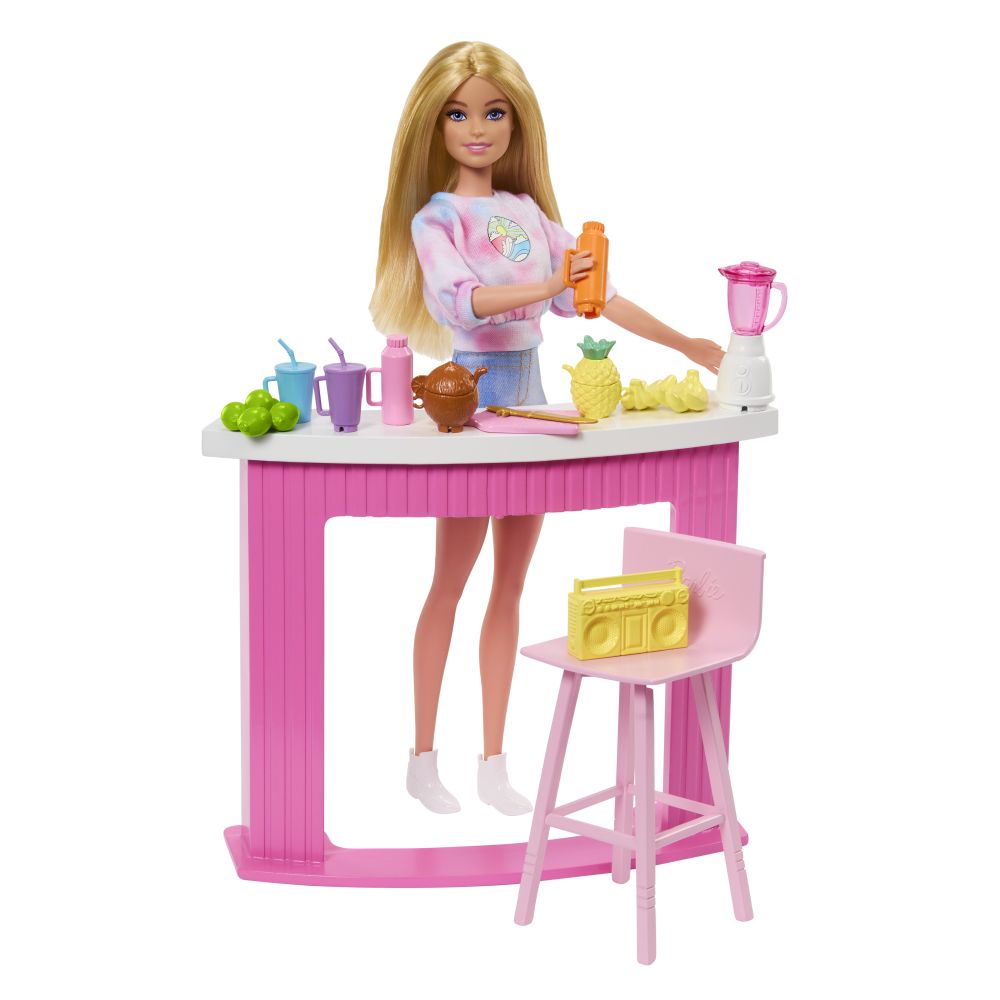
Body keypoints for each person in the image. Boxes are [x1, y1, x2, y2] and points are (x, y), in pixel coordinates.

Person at [370, 41, 724, 815]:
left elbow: (597, 295)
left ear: (516, 122)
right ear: (434, 125)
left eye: (493, 112)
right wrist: (550, 283)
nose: (477, 128)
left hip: (531, 402)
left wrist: (688, 344)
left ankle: (494, 761)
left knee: (510, 586)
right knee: (450, 583)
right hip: (471, 401)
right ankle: (422, 757)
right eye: (459, 114)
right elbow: (464, 302)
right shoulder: (437, 219)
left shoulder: (528, 215)